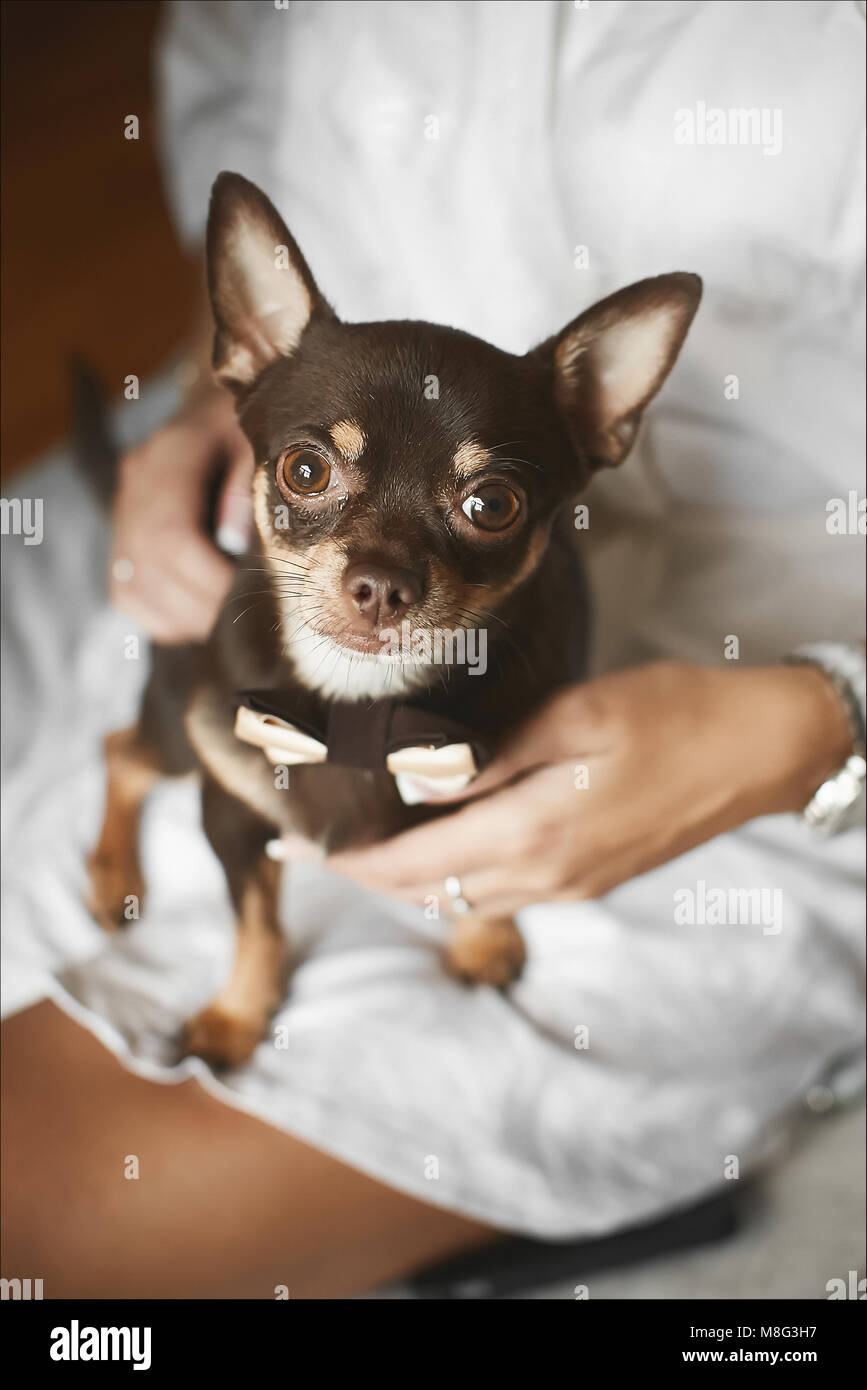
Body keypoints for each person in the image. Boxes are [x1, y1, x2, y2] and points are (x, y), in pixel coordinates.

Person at [2, 0, 864, 1298]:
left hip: (744, 686)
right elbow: (239, 124)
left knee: (51, 1221)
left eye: (487, 506)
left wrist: (818, 721)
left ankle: (566, 1184)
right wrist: (201, 402)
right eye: (317, 480)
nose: (377, 571)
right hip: (238, 599)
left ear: (596, 425)